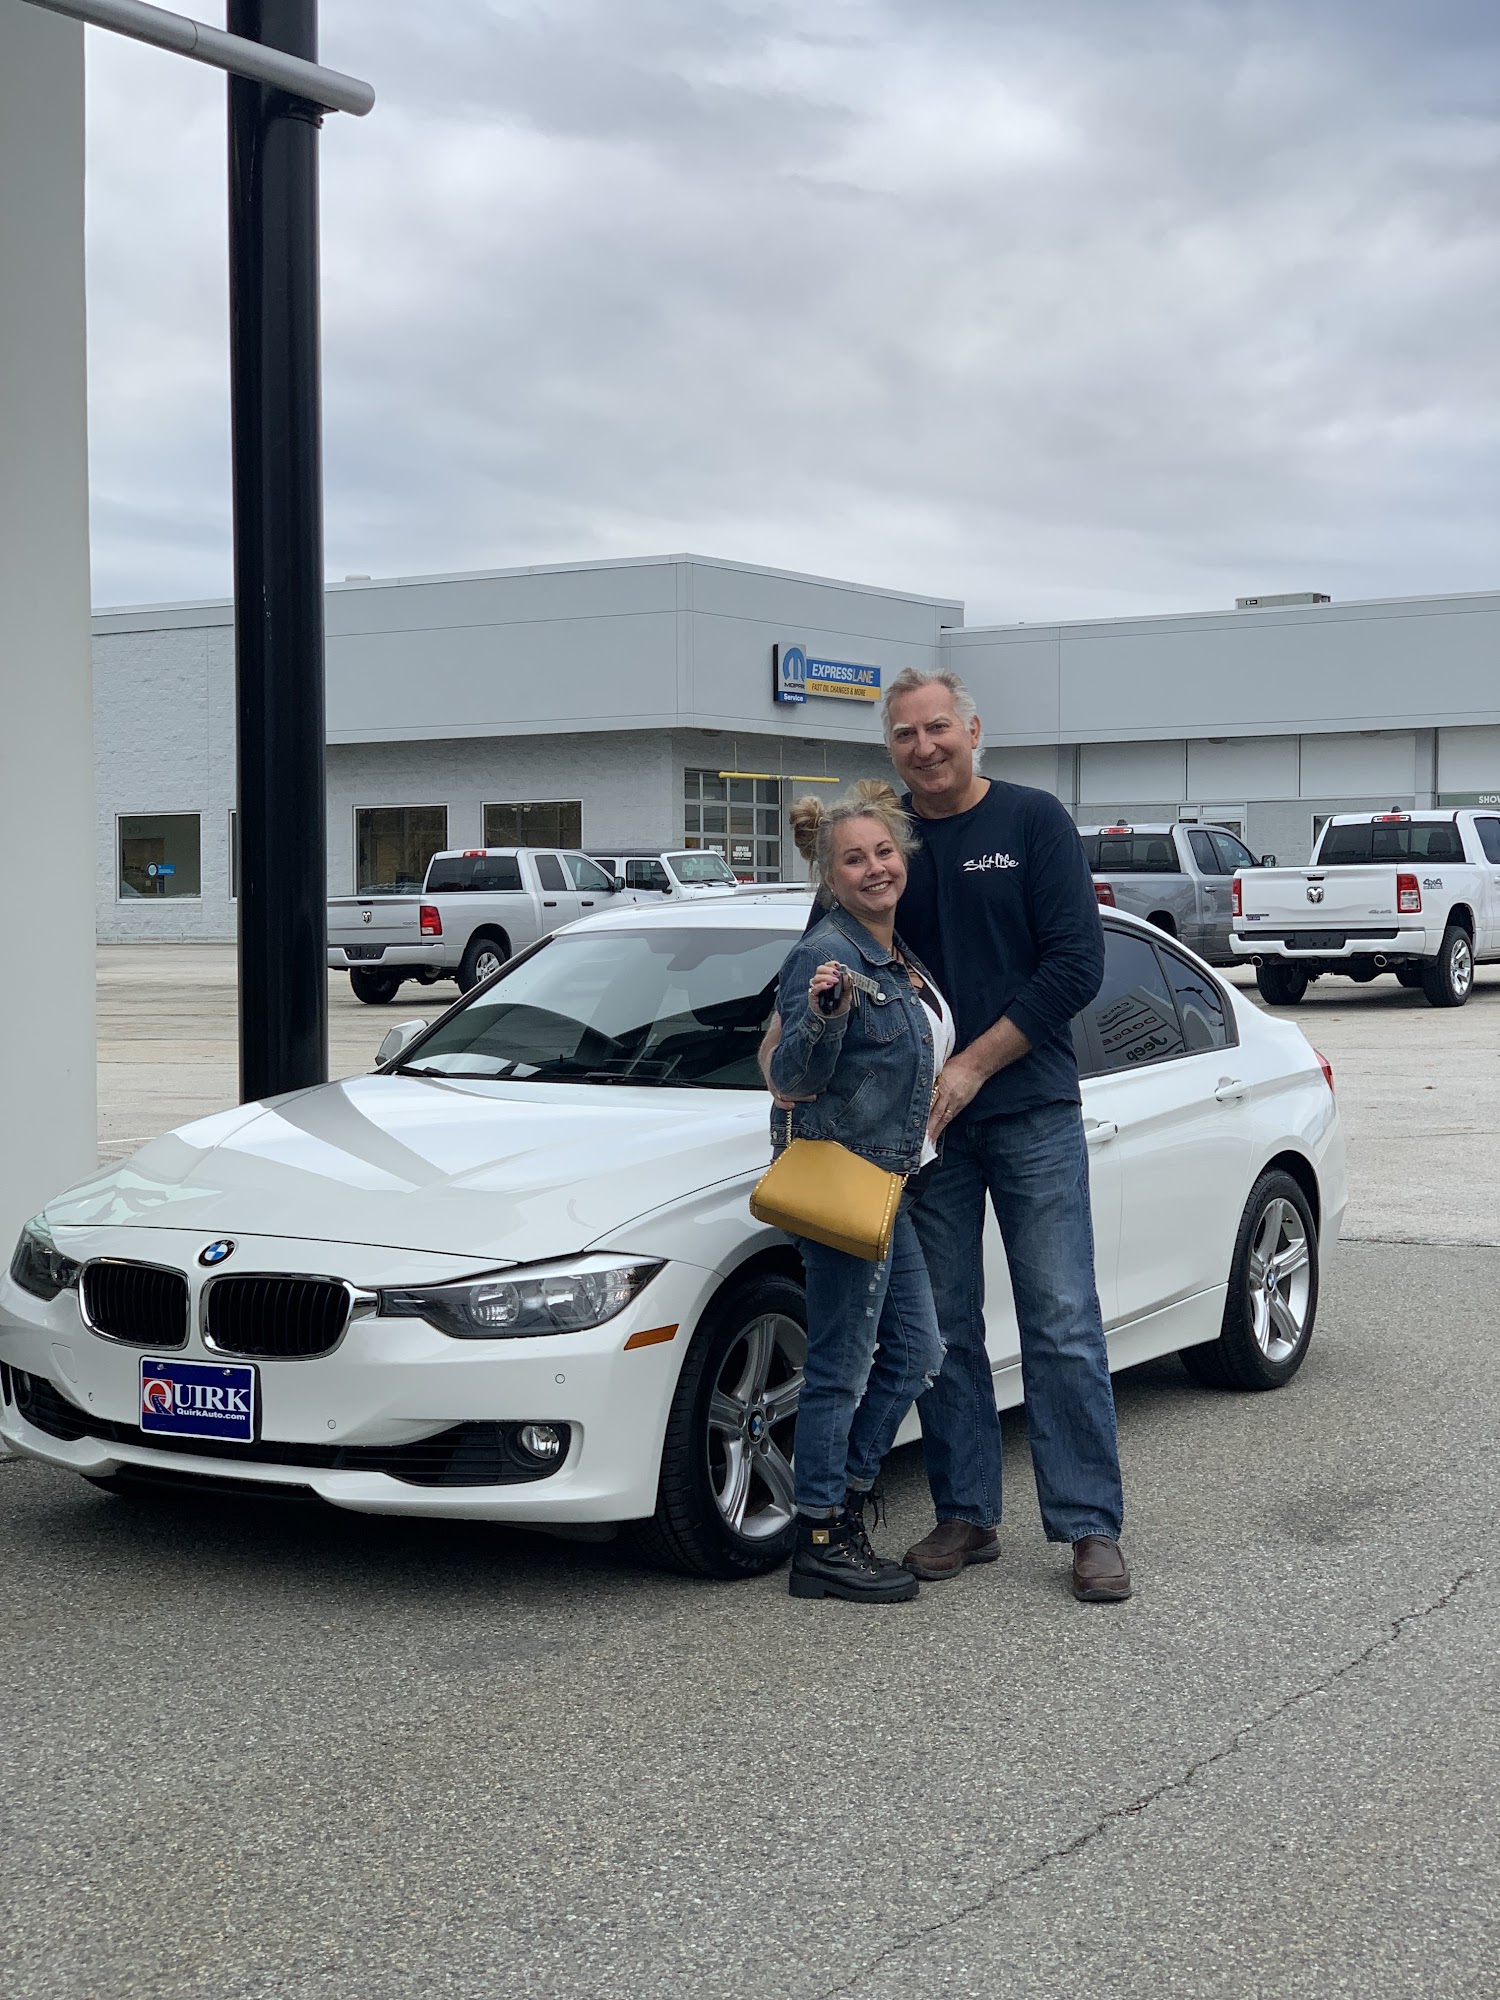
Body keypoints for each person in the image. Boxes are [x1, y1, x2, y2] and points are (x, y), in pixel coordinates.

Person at [766, 781, 954, 1605]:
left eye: (884, 852)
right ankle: (821, 1538)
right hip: (844, 1179)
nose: (875, 868)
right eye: (854, 859)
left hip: (889, 1181)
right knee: (841, 1366)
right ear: (829, 876)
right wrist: (823, 1014)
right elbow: (792, 1077)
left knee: (917, 1353)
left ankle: (838, 1501)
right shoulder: (826, 957)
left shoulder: (894, 949)